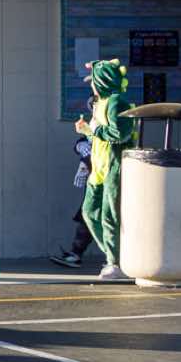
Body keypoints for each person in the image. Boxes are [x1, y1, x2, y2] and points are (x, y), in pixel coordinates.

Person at [78, 58, 133, 280]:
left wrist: (95, 130)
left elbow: (121, 133)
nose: (91, 85)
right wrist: (87, 131)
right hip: (98, 168)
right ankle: (116, 256)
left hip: (113, 166)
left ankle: (116, 262)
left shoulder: (116, 102)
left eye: (93, 81)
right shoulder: (99, 104)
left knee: (110, 216)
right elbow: (99, 134)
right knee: (90, 213)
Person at [50, 133, 96, 268]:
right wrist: (81, 146)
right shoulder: (96, 125)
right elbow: (84, 140)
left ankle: (114, 260)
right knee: (87, 215)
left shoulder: (113, 127)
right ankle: (76, 253)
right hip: (95, 179)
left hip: (110, 177)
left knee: (105, 219)